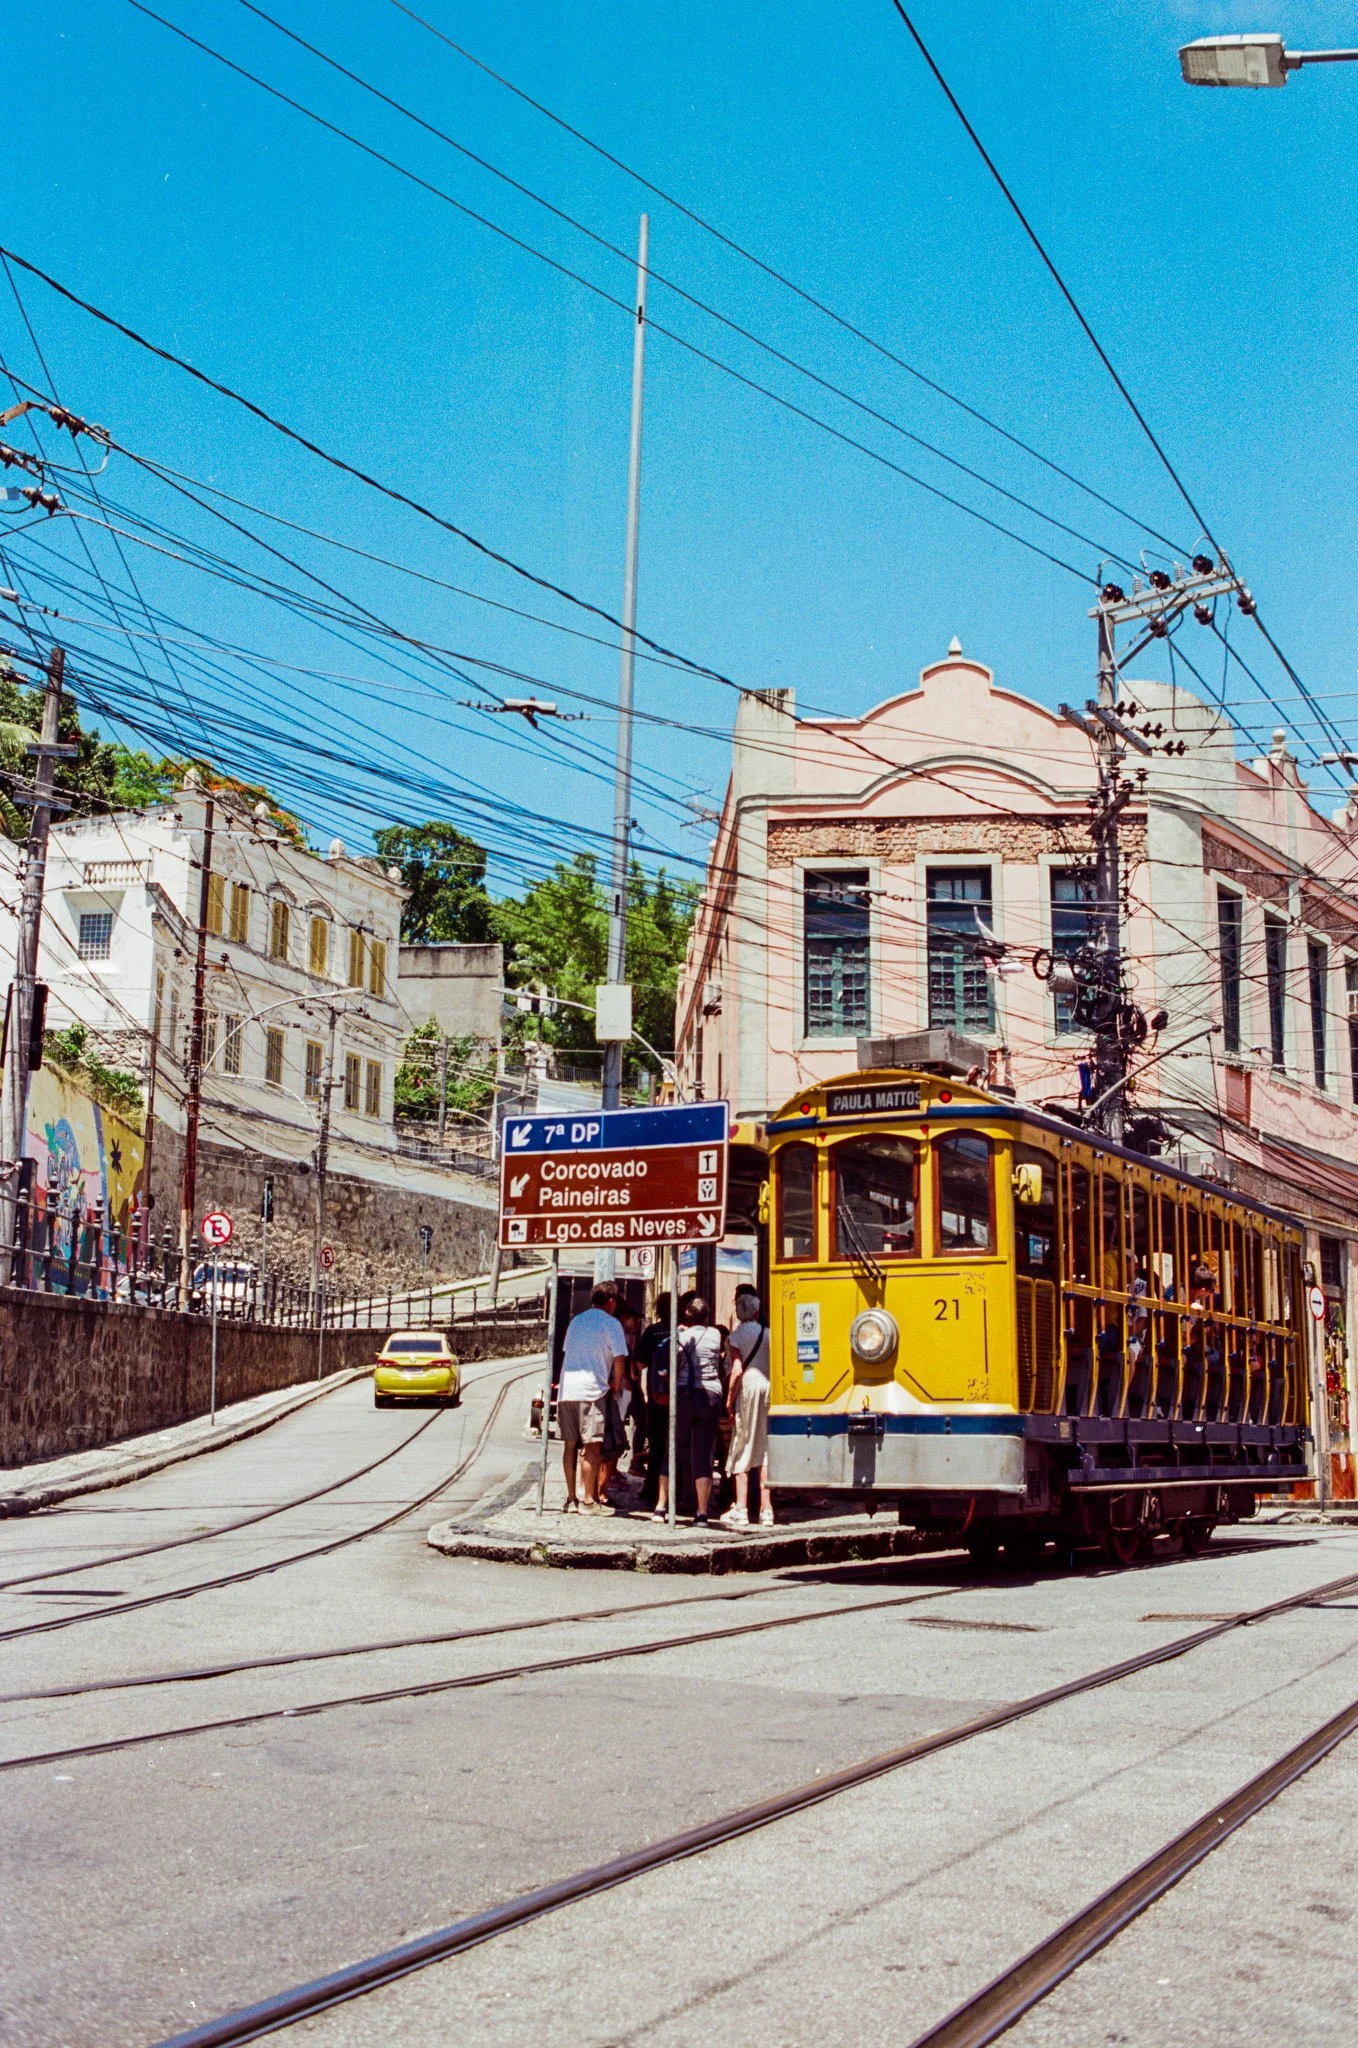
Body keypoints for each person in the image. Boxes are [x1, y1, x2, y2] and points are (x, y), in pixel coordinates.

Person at [557, 1282, 627, 1515]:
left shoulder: (577, 1321)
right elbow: (619, 1359)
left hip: (567, 1390)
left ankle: (570, 1498)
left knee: (569, 1446)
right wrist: (616, 1384)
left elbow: (569, 1351)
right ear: (611, 1302)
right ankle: (589, 1501)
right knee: (592, 1447)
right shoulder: (611, 1323)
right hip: (591, 1390)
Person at [720, 1285, 775, 1528]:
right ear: (756, 1311)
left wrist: (730, 1400)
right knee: (763, 1449)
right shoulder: (769, 1333)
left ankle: (741, 1508)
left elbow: (737, 1370)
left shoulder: (736, 1336)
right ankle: (767, 1510)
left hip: (748, 1390)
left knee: (741, 1445)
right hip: (768, 1388)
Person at [676, 1295, 725, 1526]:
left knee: (676, 1448)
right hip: (711, 1395)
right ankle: (702, 1511)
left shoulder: (681, 1336)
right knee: (703, 1453)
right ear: (707, 1316)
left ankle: (663, 1506)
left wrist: (680, 1331)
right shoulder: (715, 1334)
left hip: (685, 1395)